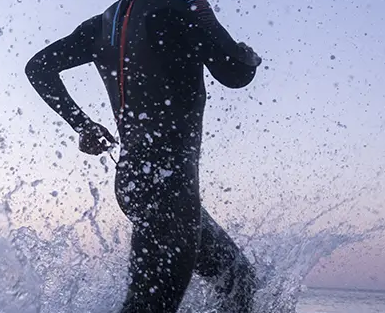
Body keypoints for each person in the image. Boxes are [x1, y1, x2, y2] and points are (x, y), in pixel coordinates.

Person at [24, 0, 262, 312]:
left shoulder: (102, 24)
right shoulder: (182, 7)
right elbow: (234, 73)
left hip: (134, 181)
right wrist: (248, 55)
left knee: (239, 284)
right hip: (171, 186)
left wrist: (83, 126)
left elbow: (38, 67)